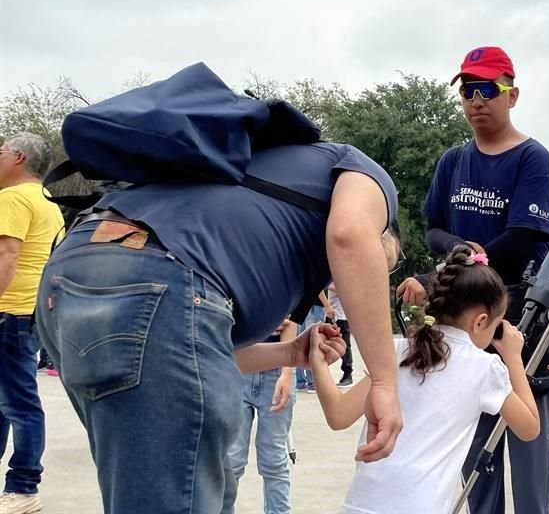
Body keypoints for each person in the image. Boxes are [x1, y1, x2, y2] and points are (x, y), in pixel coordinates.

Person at [35, 141, 404, 514]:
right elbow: (349, 236)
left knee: (178, 490)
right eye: (377, 264)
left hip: (72, 268)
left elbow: (183, 352)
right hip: (154, 274)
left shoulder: (245, 201)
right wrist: (384, 381)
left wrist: (286, 353)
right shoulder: (362, 171)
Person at [404, 45, 549, 514]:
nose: (476, 101)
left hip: (521, 322)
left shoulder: (532, 157)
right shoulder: (453, 161)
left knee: (530, 455)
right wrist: (460, 253)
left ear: (512, 95)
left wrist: (470, 258)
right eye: (468, 90)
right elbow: (431, 227)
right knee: (476, 467)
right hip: (463, 329)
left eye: (488, 89)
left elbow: (527, 234)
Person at [312, 246, 540, 513]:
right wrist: (513, 357)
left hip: (361, 504)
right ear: (480, 322)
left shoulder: (397, 351)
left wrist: (316, 362)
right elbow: (530, 427)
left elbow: (338, 415)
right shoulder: (484, 367)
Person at [0, 133, 64, 514]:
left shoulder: (11, 198)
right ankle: (18, 488)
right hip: (28, 312)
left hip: (7, 312)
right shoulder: (48, 201)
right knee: (8, 402)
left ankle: (23, 487)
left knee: (20, 404)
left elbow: (7, 255)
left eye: (1, 150)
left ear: (19, 157)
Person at [224, 319, 298, 514]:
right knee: (231, 460)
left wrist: (287, 373)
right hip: (237, 368)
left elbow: (290, 323)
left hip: (276, 372)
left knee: (273, 459)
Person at [325, 282, 354, 386]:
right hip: (331, 313)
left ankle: (348, 374)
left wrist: (325, 284)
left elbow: (343, 289)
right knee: (325, 344)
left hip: (341, 316)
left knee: (345, 345)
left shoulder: (341, 275)